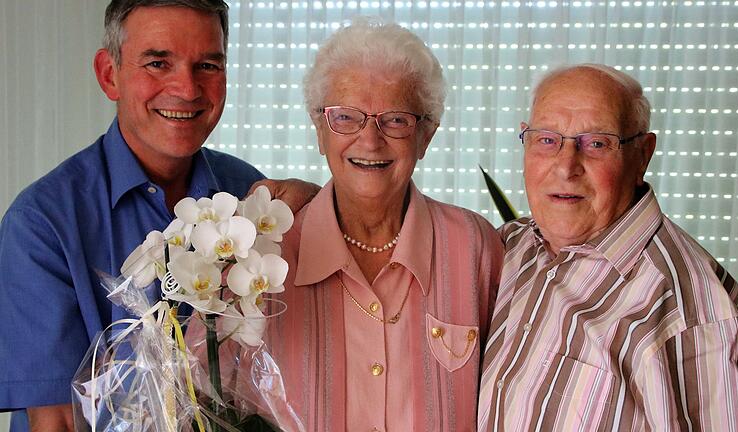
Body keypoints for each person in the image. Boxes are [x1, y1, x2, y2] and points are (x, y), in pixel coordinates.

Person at [0, 1, 315, 430]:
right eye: (157, 63)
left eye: (207, 65)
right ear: (110, 74)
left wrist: (320, 207)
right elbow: (55, 421)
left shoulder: (248, 194)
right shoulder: (42, 223)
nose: (186, 89)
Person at [217, 18, 503, 431]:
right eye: (346, 118)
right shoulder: (261, 254)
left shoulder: (474, 246)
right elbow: (201, 399)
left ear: (426, 136)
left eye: (396, 120)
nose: (370, 141)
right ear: (319, 129)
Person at [478, 64, 738, 431]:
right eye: (547, 140)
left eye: (597, 143)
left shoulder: (693, 315)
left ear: (642, 155)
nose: (566, 166)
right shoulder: (509, 247)